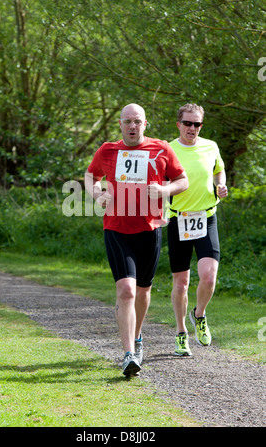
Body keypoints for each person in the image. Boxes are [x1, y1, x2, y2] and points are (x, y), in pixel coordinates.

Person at [85, 103, 188, 376]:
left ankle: (138, 337)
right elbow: (90, 176)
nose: (132, 126)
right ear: (120, 124)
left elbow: (183, 180)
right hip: (117, 229)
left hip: (149, 230)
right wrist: (97, 194)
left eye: (137, 121)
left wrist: (165, 189)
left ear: (145, 124)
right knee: (127, 291)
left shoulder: (162, 149)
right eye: (127, 121)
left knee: (143, 291)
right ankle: (128, 353)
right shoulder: (107, 150)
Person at [167, 103, 228, 356]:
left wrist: (221, 186)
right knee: (181, 283)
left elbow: (219, 171)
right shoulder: (168, 149)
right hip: (178, 219)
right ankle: (181, 332)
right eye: (188, 123)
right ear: (179, 124)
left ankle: (199, 315)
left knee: (209, 276)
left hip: (206, 217)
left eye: (197, 124)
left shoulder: (210, 146)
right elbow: (159, 183)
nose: (192, 128)